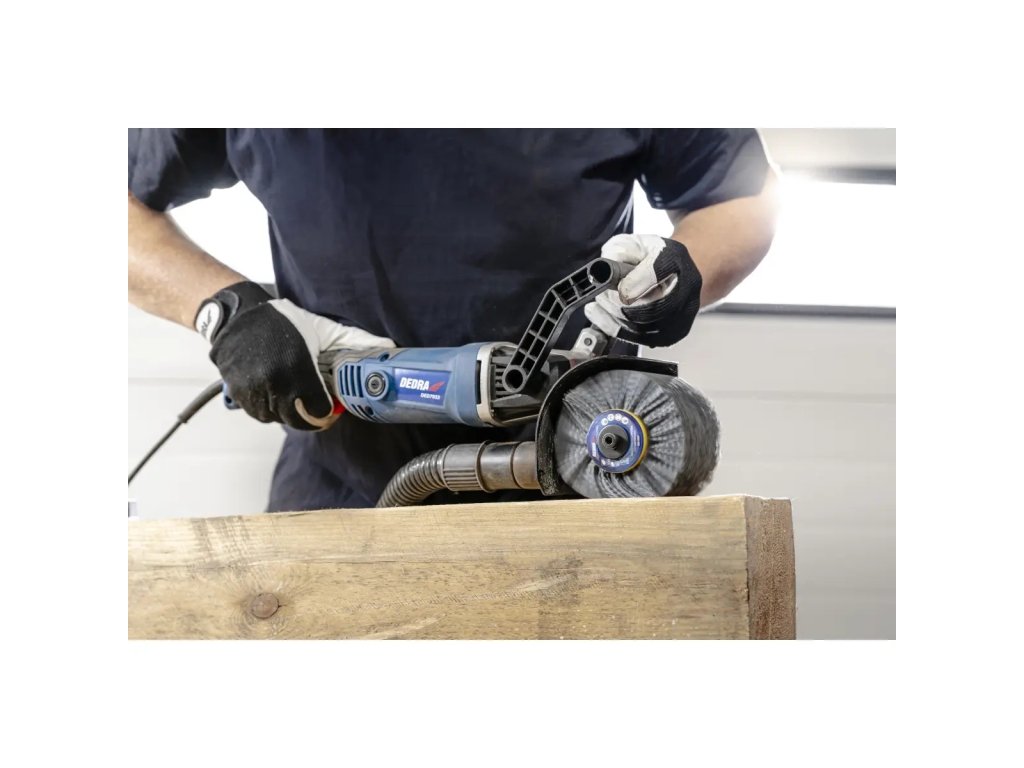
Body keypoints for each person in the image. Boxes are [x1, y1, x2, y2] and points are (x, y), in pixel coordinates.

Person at [128, 129, 777, 511]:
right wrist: (229, 314)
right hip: (340, 476)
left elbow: (740, 198)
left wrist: (681, 270)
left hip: (585, 469)